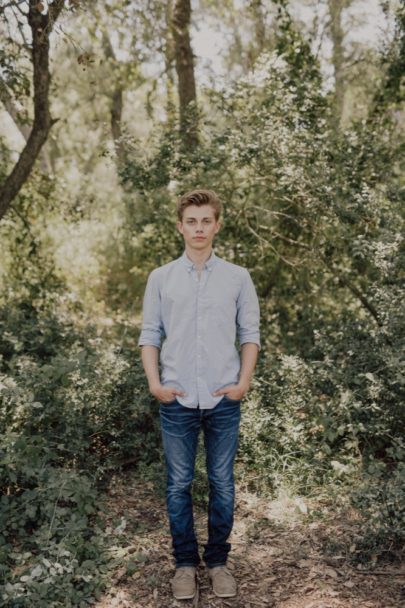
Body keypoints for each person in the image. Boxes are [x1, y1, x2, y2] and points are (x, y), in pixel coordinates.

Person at [138, 189, 260, 600]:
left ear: (217, 225)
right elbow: (150, 335)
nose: (199, 228)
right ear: (180, 226)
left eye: (206, 220)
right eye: (191, 221)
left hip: (224, 398)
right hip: (178, 399)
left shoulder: (238, 277)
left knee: (222, 484)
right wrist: (156, 385)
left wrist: (242, 384)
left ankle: (219, 562)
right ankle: (185, 565)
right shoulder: (161, 278)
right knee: (178, 485)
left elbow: (251, 336)